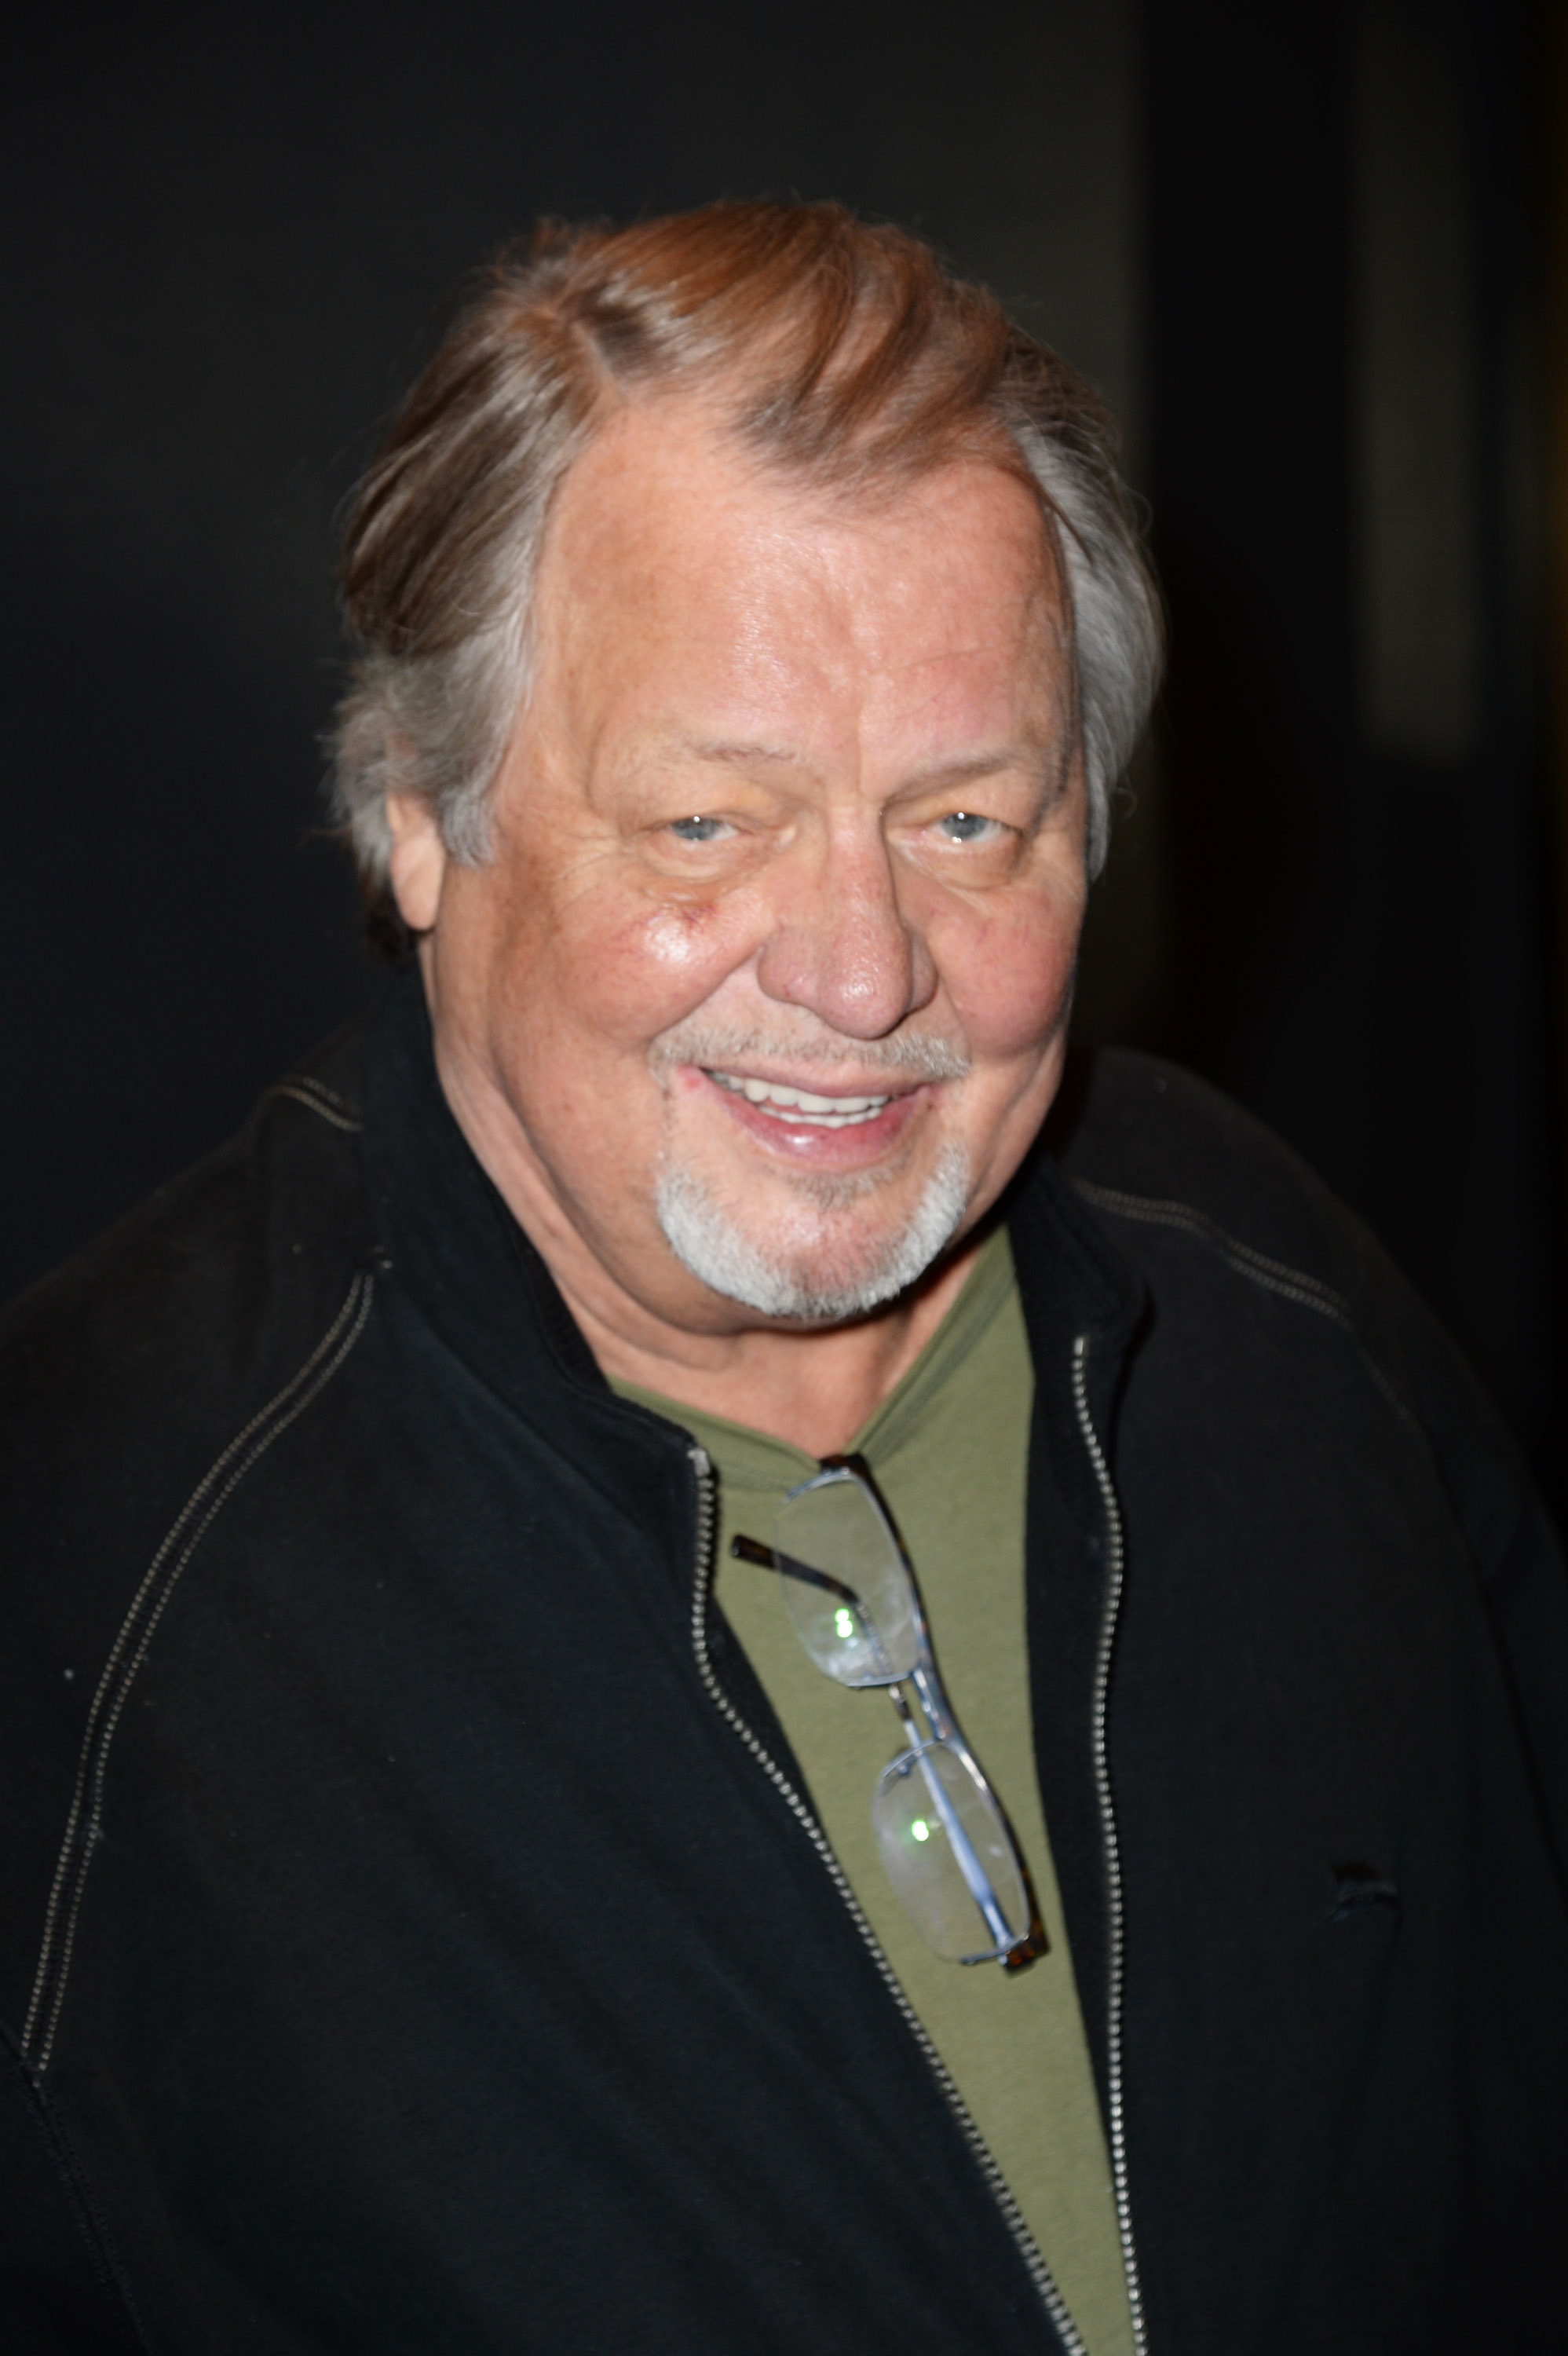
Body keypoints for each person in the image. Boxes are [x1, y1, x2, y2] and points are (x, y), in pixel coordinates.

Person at [2, 202, 1564, 2356]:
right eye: (709, 828)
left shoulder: (1284, 1308)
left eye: (967, 827)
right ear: (417, 816)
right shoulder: (80, 1575)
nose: (859, 973)